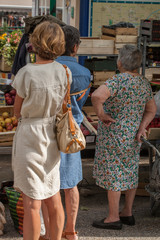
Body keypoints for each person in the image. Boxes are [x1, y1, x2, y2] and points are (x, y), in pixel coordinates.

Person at [12, 21, 72, 240]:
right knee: (53, 195)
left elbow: (17, 111)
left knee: (31, 201)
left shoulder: (26, 73)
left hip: (30, 135)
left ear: (34, 43)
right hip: (52, 134)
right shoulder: (64, 71)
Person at [91, 45, 157, 230]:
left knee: (114, 174)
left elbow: (96, 96)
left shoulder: (117, 81)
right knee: (129, 171)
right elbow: (151, 109)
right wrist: (142, 127)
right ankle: (127, 212)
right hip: (134, 136)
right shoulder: (143, 82)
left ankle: (113, 217)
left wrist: (101, 114)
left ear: (120, 62)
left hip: (114, 134)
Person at [41, 25, 91, 240]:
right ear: (75, 47)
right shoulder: (85, 74)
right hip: (71, 133)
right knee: (70, 185)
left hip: (47, 131)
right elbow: (80, 103)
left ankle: (51, 231)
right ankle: (70, 231)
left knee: (47, 185)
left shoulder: (46, 69)